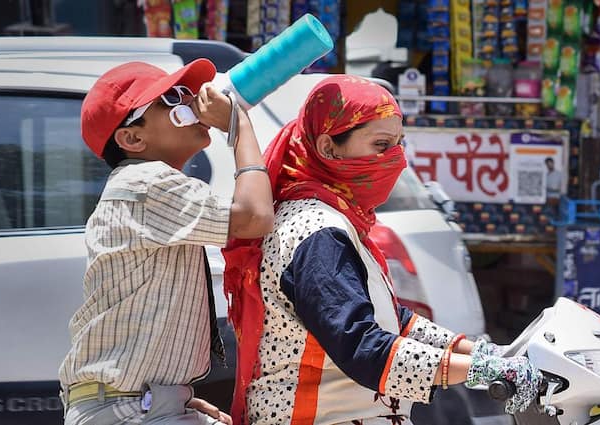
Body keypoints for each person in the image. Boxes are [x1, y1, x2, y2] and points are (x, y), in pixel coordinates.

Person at [222, 75, 542, 425]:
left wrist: (483, 354)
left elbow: (390, 317)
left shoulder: (336, 218)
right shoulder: (317, 231)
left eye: (399, 144)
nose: (396, 159)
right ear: (329, 147)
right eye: (381, 144)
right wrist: (479, 372)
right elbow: (361, 347)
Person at [58, 59, 274, 425]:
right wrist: (239, 125)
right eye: (172, 97)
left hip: (139, 406)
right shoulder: (144, 182)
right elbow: (254, 216)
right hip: (126, 409)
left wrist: (173, 400)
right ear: (132, 138)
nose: (191, 102)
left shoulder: (153, 186)